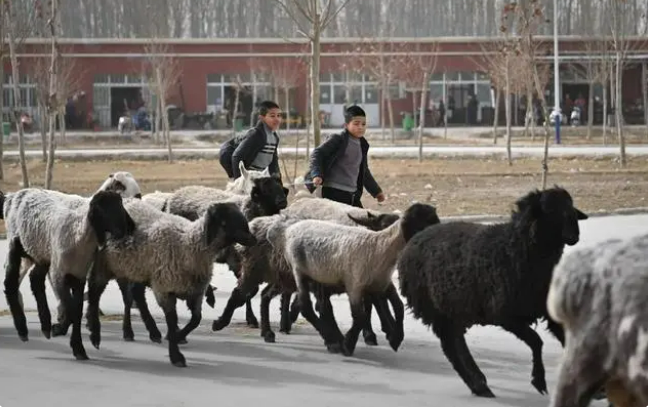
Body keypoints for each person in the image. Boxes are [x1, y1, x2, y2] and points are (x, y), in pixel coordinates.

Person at [305, 105, 385, 207]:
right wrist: (317, 174)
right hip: (333, 192)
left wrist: (376, 192)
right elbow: (317, 153)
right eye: (356, 124)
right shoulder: (338, 139)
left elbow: (364, 171)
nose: (360, 127)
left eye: (363, 124)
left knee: (361, 220)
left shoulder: (363, 145)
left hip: (353, 194)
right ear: (346, 125)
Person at [218, 100, 283, 181]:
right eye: (272, 116)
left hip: (253, 168)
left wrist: (278, 184)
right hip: (228, 155)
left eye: (279, 115)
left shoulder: (274, 138)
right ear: (262, 118)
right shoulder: (255, 135)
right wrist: (239, 181)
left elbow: (274, 164)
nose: (277, 119)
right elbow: (236, 156)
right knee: (246, 186)